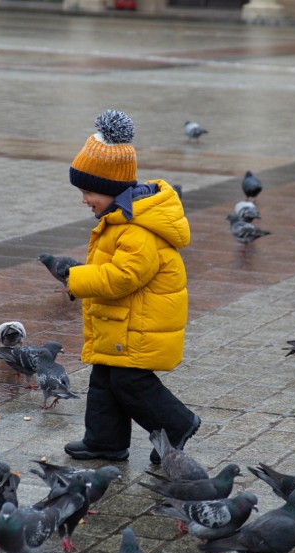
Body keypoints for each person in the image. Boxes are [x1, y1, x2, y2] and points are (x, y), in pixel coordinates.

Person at [63, 109, 200, 463]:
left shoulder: (135, 229)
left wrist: (77, 278)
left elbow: (124, 277)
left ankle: (176, 425)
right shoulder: (117, 218)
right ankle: (105, 441)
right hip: (120, 322)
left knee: (128, 383)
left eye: (89, 191)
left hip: (138, 325)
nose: (84, 199)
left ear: (112, 189)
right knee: (104, 380)